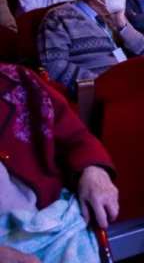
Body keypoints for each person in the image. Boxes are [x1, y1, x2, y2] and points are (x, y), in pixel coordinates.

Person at [0, 63, 119, 263]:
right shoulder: (57, 30)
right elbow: (58, 66)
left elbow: (77, 137)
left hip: (49, 220)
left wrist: (94, 169)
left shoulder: (20, 80)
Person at [37, 0, 144, 90]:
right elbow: (54, 66)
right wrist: (103, 83)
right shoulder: (59, 17)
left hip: (129, 86)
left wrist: (122, 25)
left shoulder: (112, 16)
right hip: (101, 93)